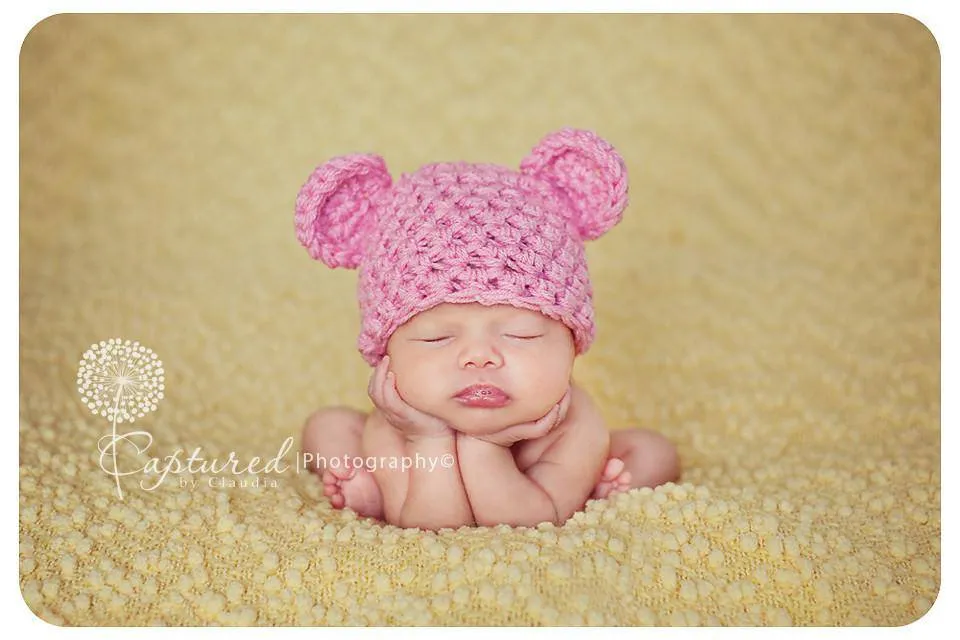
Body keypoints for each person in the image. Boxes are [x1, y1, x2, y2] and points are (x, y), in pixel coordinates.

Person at [296, 128, 680, 531]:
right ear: (385, 354)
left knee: (653, 454)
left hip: (541, 488)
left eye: (521, 335)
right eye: (437, 338)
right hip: (410, 448)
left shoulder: (573, 424)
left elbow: (528, 520)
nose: (479, 357)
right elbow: (434, 524)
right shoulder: (396, 423)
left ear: (573, 344)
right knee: (329, 426)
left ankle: (594, 488)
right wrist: (428, 441)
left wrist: (485, 447)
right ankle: (367, 484)